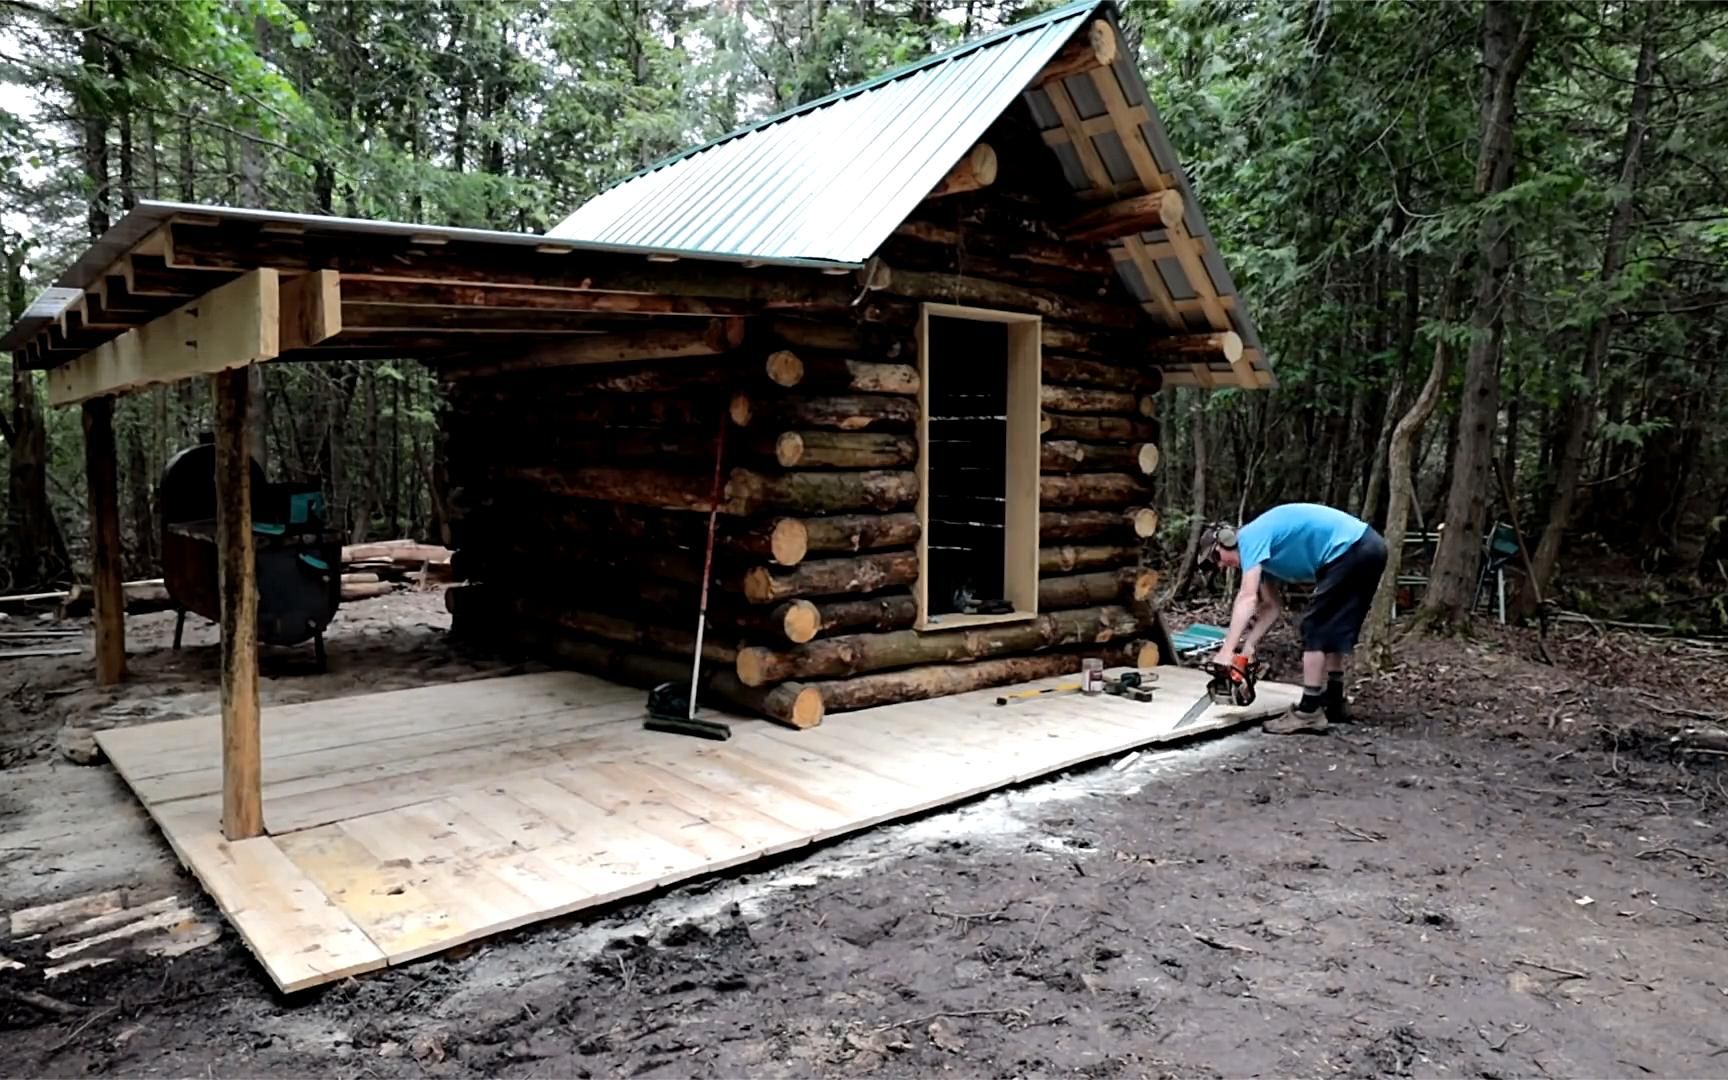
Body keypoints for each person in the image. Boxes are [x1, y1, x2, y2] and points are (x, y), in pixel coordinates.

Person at [1198, 503, 1388, 734]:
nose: (1222, 565)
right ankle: (1334, 700)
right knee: (1333, 627)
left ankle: (1308, 711)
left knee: (1314, 627)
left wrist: (1227, 651)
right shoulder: (1260, 555)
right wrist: (1247, 647)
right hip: (1367, 547)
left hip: (1351, 549)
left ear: (1226, 540)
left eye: (1217, 557)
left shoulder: (1250, 537)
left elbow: (1247, 597)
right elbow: (1272, 606)